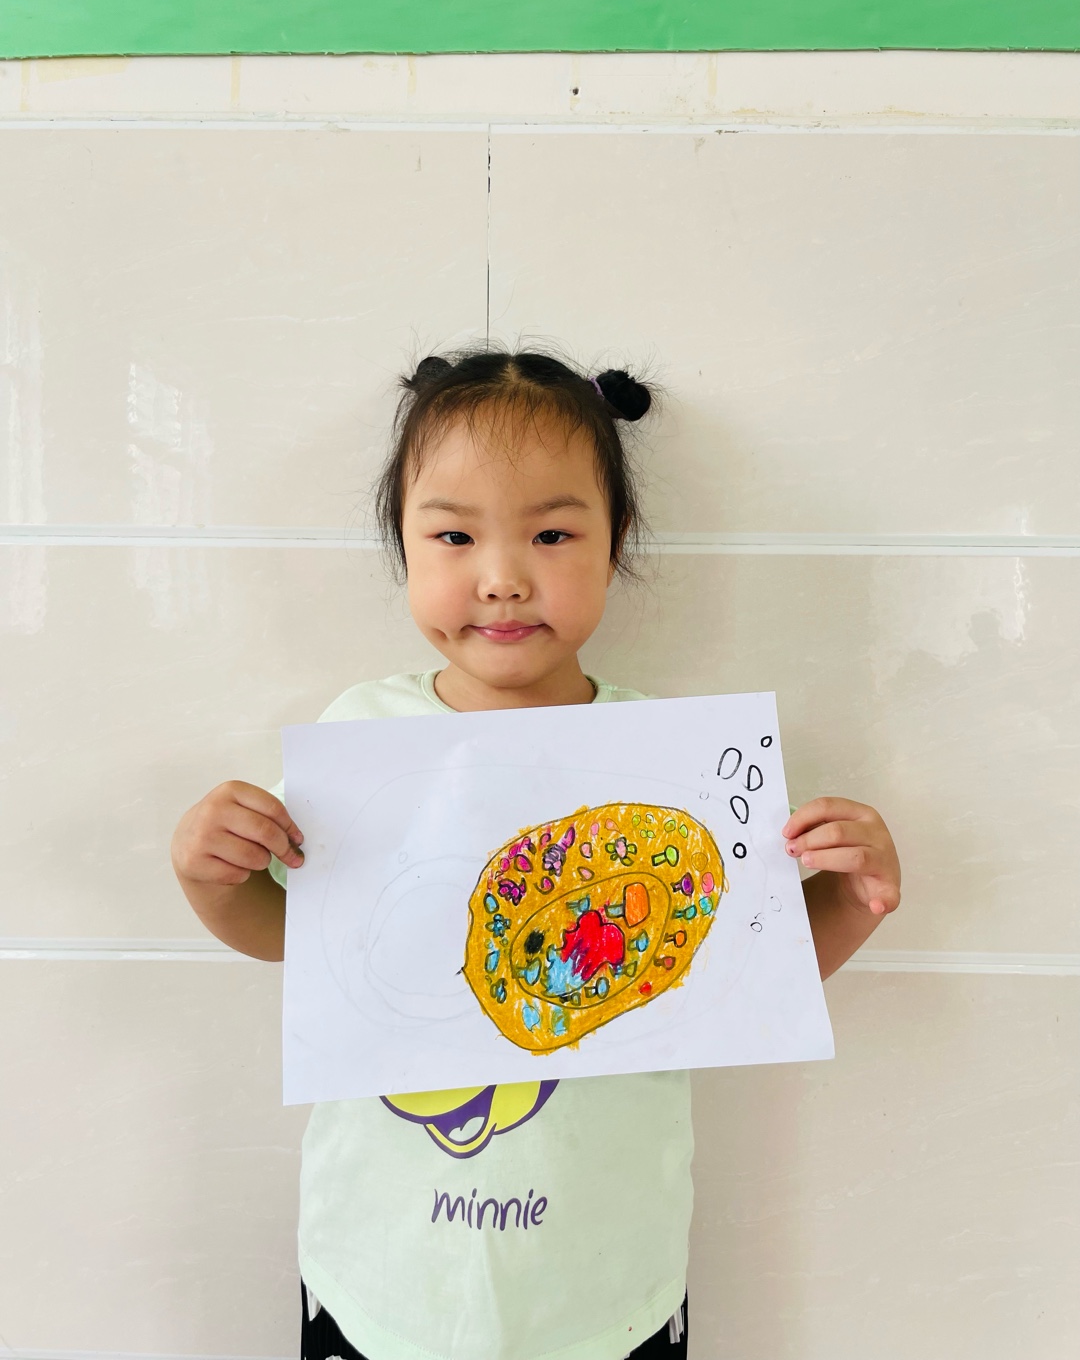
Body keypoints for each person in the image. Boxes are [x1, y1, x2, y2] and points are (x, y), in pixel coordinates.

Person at [171, 349, 901, 1360]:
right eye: (454, 535)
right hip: (382, 1274)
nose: (504, 578)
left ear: (615, 542)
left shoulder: (672, 768)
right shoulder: (361, 735)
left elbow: (739, 974)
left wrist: (852, 898)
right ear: (403, 544)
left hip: (605, 1285)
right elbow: (296, 943)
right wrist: (212, 876)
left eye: (553, 534)